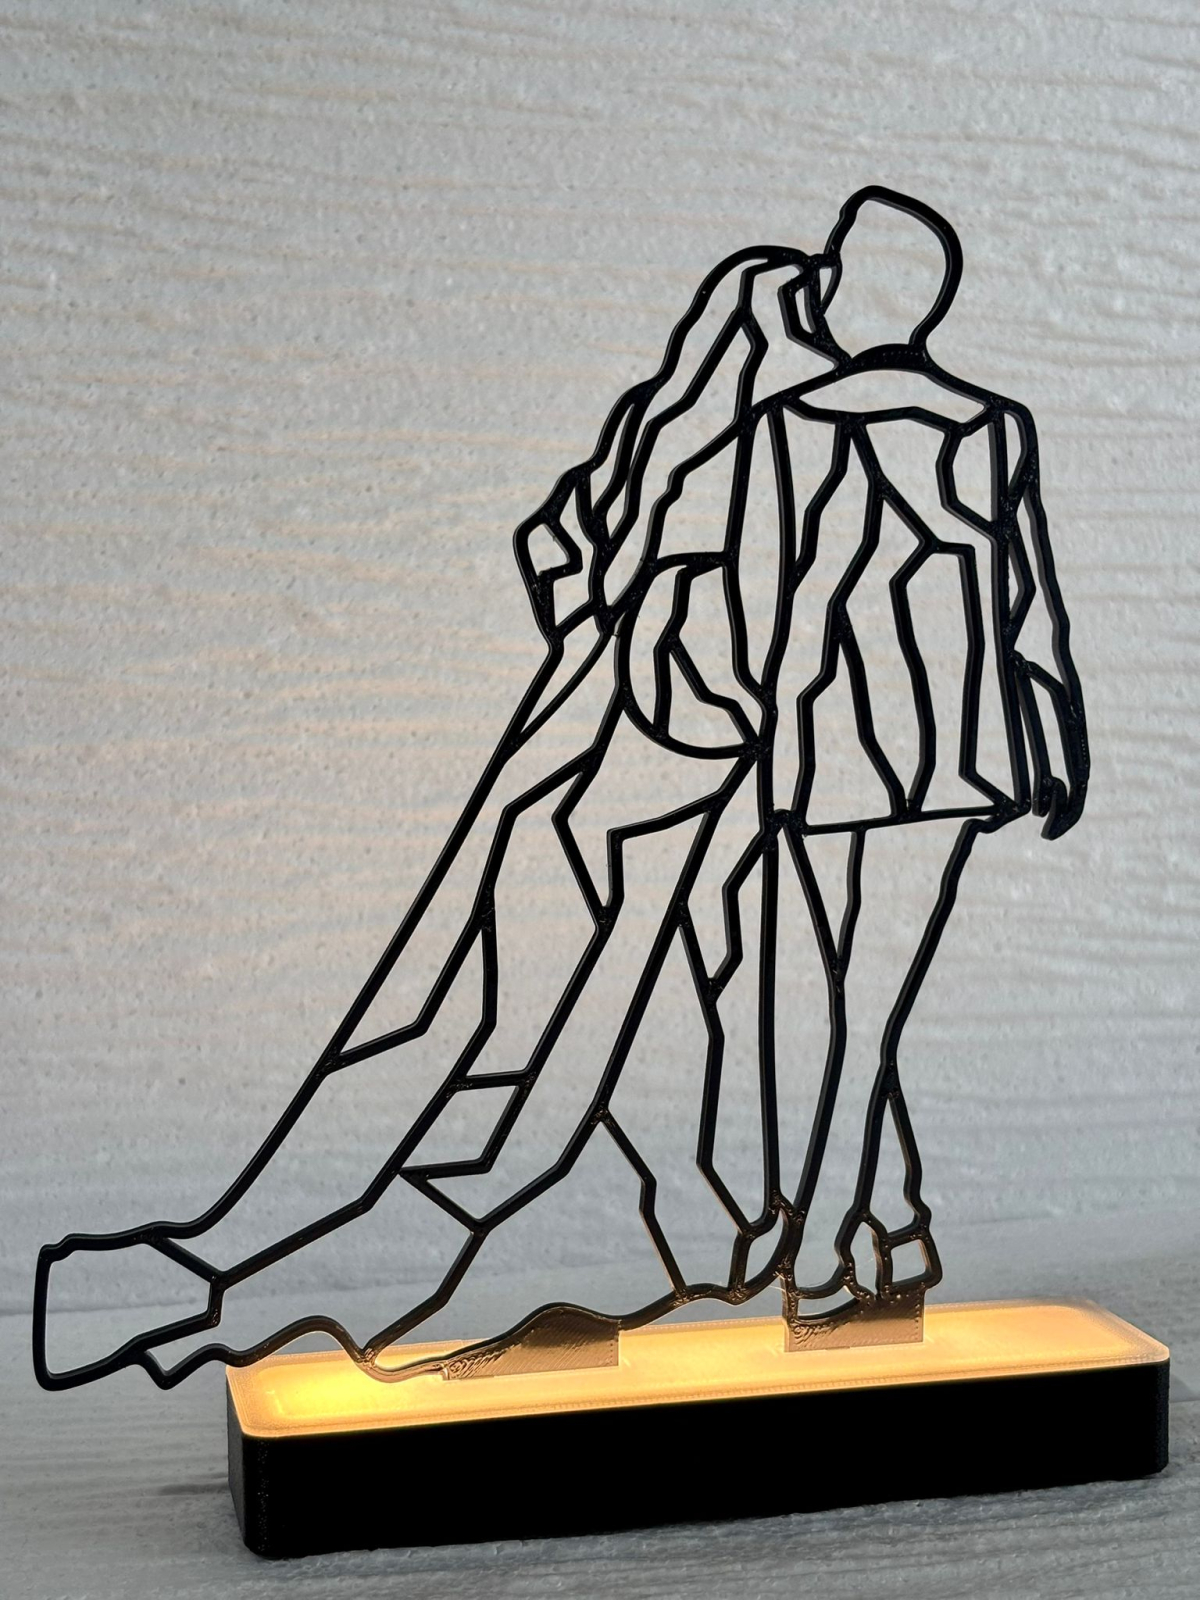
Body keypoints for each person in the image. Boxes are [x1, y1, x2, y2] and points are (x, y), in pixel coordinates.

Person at [34, 188, 1087, 1390]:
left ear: (864, 286)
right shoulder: (942, 407)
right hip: (920, 749)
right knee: (846, 996)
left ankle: (846, 1247)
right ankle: (864, 1236)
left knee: (829, 996)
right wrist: (1048, 736)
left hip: (816, 744)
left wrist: (742, 705)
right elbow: (1012, 599)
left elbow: (787, 602)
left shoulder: (805, 420)